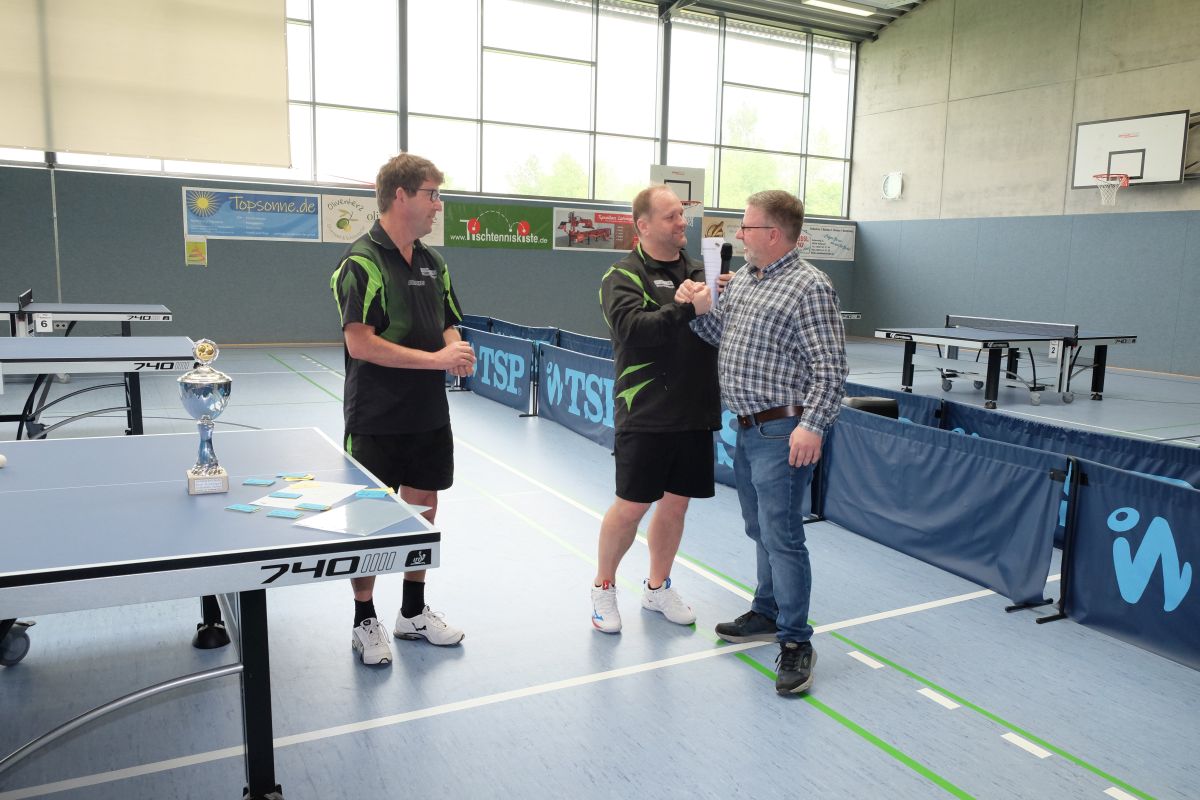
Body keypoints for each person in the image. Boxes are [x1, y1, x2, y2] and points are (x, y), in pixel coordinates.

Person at [681, 190, 848, 694]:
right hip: (748, 427)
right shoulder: (748, 281)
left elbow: (831, 368)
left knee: (783, 536)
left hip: (783, 431)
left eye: (747, 227)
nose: (739, 235)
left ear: (773, 234)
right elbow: (719, 334)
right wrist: (697, 306)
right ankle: (767, 611)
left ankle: (796, 641)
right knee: (760, 528)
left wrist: (813, 425)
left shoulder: (809, 287)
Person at [329, 153, 475, 665]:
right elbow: (360, 343)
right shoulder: (362, 263)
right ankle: (364, 619)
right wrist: (436, 359)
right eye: (432, 194)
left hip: (428, 413)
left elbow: (449, 321)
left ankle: (412, 611)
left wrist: (455, 349)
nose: (438, 205)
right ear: (401, 196)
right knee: (369, 519)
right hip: (376, 416)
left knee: (423, 507)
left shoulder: (434, 263)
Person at [590, 185, 721, 634]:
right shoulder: (622, 276)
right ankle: (603, 587)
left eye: (682, 214)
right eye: (671, 216)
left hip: (694, 410)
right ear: (643, 225)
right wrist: (685, 308)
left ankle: (657, 586)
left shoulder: (701, 271)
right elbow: (633, 330)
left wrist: (724, 294)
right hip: (645, 411)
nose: (682, 222)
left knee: (676, 506)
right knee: (631, 507)